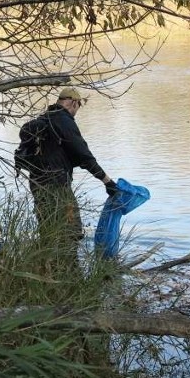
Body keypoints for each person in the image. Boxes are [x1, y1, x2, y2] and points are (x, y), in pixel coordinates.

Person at [24, 87, 117, 270]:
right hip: (56, 186)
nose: (77, 111)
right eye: (78, 106)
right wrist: (107, 181)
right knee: (71, 230)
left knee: (48, 230)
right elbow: (84, 155)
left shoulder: (44, 119)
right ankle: (70, 274)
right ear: (73, 102)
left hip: (36, 184)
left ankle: (49, 272)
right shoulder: (64, 121)